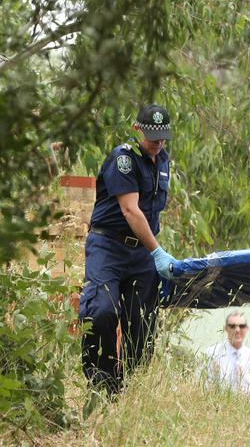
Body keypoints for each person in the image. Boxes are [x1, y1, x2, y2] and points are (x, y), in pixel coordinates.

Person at [79, 104, 178, 396]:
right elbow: (130, 210)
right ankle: (103, 386)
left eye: (162, 137)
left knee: (142, 321)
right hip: (108, 246)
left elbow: (153, 212)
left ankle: (135, 390)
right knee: (101, 312)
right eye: (151, 137)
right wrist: (158, 252)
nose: (157, 143)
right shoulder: (123, 159)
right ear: (137, 130)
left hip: (141, 254)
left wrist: (154, 255)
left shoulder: (164, 161)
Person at [204, 312, 250, 393]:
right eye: (232, 326)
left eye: (242, 326)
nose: (237, 330)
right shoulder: (212, 353)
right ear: (225, 328)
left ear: (247, 328)